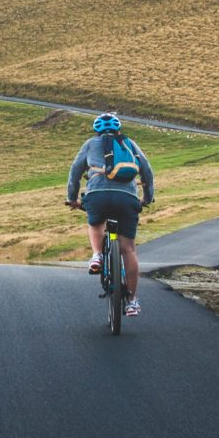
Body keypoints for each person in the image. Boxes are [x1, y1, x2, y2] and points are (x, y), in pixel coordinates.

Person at [65, 112, 154, 317]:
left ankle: (97, 255)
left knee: (95, 223)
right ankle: (132, 301)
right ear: (118, 129)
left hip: (98, 195)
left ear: (96, 131)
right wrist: (147, 198)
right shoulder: (129, 144)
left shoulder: (90, 144)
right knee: (128, 249)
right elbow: (147, 171)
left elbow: (75, 172)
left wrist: (72, 198)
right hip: (127, 197)